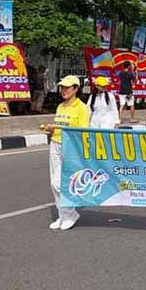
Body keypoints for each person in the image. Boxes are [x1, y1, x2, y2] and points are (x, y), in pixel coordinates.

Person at [44, 75, 89, 231]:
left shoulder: (82, 108)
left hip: (71, 148)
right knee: (53, 182)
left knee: (59, 183)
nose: (63, 90)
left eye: (67, 87)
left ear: (76, 88)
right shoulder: (61, 106)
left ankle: (70, 214)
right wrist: (52, 128)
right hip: (55, 144)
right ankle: (62, 215)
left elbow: (82, 131)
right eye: (62, 87)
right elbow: (59, 125)